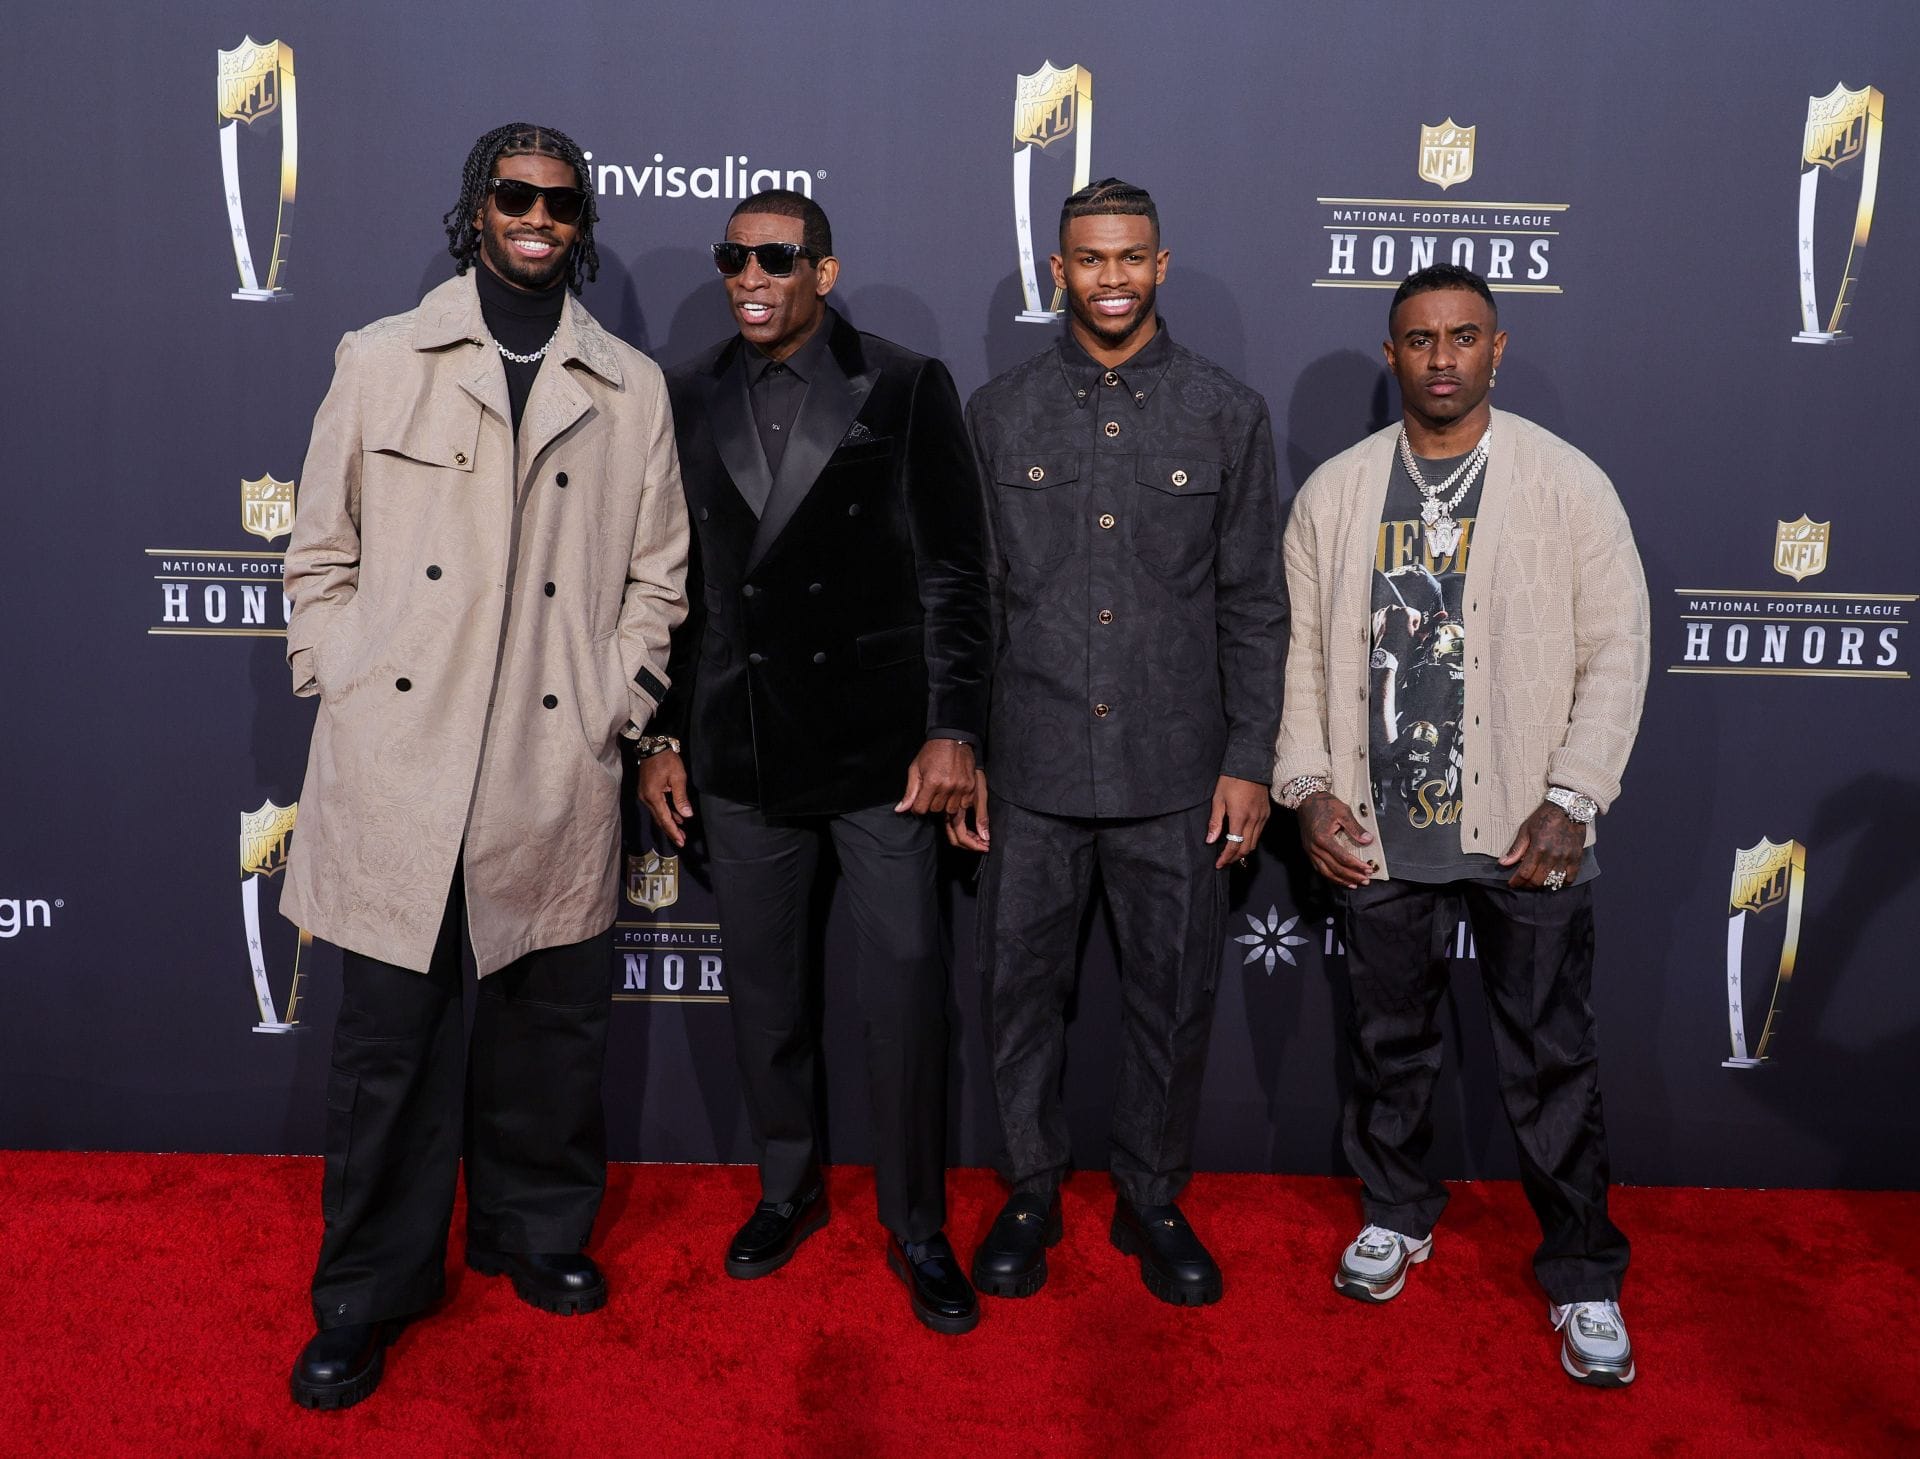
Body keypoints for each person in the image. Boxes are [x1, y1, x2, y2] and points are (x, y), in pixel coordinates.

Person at [279, 122, 688, 1409]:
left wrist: (612, 704)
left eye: (560, 202)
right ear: (476, 210)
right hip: (401, 759)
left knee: (548, 1029)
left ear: (582, 224)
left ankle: (536, 1232)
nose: (538, 217)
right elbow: (319, 553)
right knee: (389, 1050)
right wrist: (344, 677)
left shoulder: (629, 386)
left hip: (549, 758)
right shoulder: (380, 358)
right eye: (515, 195)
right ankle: (366, 1291)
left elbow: (658, 577)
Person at [1273, 263, 1649, 1386]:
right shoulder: (1336, 493)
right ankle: (1396, 1211)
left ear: (1498, 348)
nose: (1442, 358)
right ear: (1391, 354)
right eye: (1420, 339)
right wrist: (1307, 785)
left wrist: (1575, 796)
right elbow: (1303, 659)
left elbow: (1618, 651)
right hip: (1378, 829)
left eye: (1463, 336)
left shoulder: (1567, 483)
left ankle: (1581, 1271)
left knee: (1552, 1061)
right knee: (1388, 1046)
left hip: (1530, 827)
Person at [638, 190, 991, 1335]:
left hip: (885, 753)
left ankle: (918, 1222)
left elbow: (954, 573)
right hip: (742, 745)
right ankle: (785, 1189)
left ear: (824, 273)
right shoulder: (684, 391)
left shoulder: (905, 383)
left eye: (777, 258)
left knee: (907, 994)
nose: (751, 277)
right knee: (766, 995)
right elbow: (670, 588)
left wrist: (954, 728)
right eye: (734, 257)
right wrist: (660, 735)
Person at [953, 179, 1287, 1307]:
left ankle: (1151, 1195)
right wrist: (965, 747)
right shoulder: (997, 414)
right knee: (1018, 997)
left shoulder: (1227, 412)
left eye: (1130, 257)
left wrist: (1249, 757)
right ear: (1059, 269)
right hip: (1030, 769)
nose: (1111, 278)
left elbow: (1254, 603)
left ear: (1161, 264)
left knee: (1172, 1000)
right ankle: (1030, 1192)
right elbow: (972, 602)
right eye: (1090, 259)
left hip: (1177, 773)